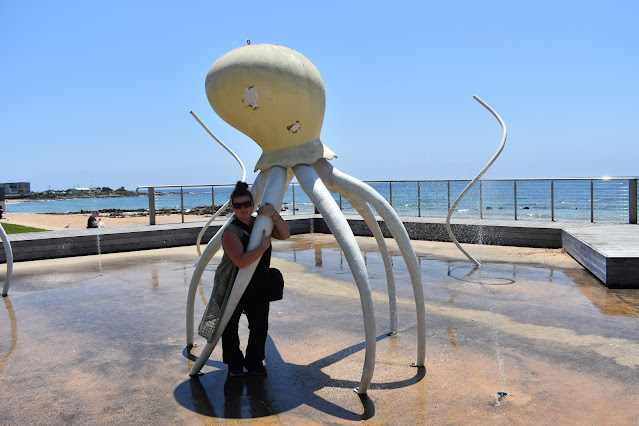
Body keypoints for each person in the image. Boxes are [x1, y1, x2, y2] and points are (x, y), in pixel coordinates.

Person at [198, 181, 290, 377]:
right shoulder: (231, 232)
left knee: (259, 327)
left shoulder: (261, 222)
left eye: (247, 204)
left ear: (252, 204)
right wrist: (263, 248)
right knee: (229, 327)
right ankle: (235, 365)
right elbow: (240, 261)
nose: (243, 209)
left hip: (259, 285)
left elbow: (285, 234)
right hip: (234, 285)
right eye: (238, 206)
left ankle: (254, 362)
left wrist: (273, 214)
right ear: (233, 208)